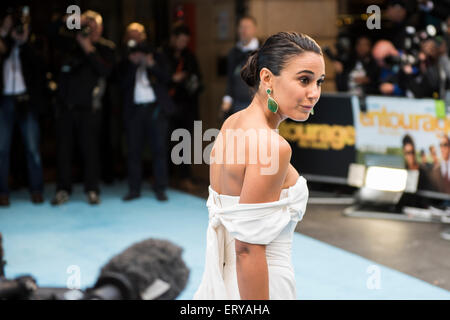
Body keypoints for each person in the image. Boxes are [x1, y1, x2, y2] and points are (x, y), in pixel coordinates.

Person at [194, 32, 324, 300]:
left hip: (227, 281)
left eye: (319, 82)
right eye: (304, 79)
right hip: (260, 283)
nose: (314, 93)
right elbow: (247, 249)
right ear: (266, 78)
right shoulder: (273, 147)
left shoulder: (233, 122)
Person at [51, 10, 115, 205]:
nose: (91, 30)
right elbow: (50, 31)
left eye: (94, 26)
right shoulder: (70, 43)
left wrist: (88, 48)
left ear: (101, 28)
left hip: (90, 109)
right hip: (65, 107)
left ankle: (92, 189)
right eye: (88, 26)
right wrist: (69, 20)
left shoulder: (106, 48)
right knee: (63, 151)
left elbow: (106, 71)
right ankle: (63, 189)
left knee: (91, 152)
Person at [118, 23, 175, 202]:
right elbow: (120, 86)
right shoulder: (124, 59)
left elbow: (167, 78)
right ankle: (134, 189)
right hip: (134, 110)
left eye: (138, 35)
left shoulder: (156, 55)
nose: (135, 40)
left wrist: (150, 64)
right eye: (131, 36)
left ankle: (160, 188)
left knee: (159, 149)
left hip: (155, 109)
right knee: (133, 151)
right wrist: (133, 64)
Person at [0, 11, 45, 207]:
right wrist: (4, 35)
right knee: (1, 149)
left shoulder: (31, 42)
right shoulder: (4, 43)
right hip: (4, 100)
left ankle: (36, 190)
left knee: (32, 148)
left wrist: (24, 42)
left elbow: (40, 66)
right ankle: (2, 192)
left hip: (26, 100)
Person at [161, 24, 203, 193]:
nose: (183, 44)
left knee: (184, 143)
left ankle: (184, 177)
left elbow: (199, 81)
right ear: (173, 38)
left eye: (186, 41)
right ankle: (166, 177)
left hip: (187, 107)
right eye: (180, 40)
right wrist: (173, 79)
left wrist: (190, 81)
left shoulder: (190, 57)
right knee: (165, 143)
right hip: (168, 107)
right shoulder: (163, 56)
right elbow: (159, 80)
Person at [221, 15, 260, 119]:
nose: (244, 30)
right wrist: (226, 100)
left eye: (247, 27)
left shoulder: (262, 51)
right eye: (241, 27)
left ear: (254, 29)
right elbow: (230, 79)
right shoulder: (233, 53)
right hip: (237, 104)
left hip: (256, 104)